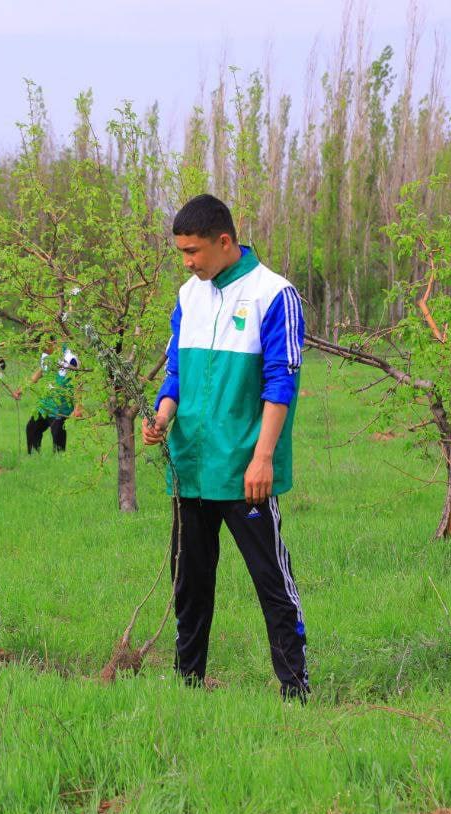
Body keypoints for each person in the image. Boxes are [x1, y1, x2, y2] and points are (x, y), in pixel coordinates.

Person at [142, 193, 309, 701]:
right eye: (181, 254)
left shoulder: (274, 294)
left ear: (224, 241)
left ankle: (295, 689)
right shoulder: (188, 295)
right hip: (190, 467)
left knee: (271, 581)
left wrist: (262, 458)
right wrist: (162, 416)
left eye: (193, 251)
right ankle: (188, 683)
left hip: (245, 469)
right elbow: (175, 371)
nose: (187, 262)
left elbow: (282, 382)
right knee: (189, 584)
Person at [13, 342, 81, 453]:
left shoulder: (71, 359)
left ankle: (59, 461)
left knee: (57, 434)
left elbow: (78, 383)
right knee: (32, 428)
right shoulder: (45, 355)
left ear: (53, 343)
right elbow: (40, 372)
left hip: (60, 406)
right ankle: (34, 457)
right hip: (45, 403)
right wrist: (22, 389)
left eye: (45, 347)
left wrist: (78, 407)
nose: (42, 350)